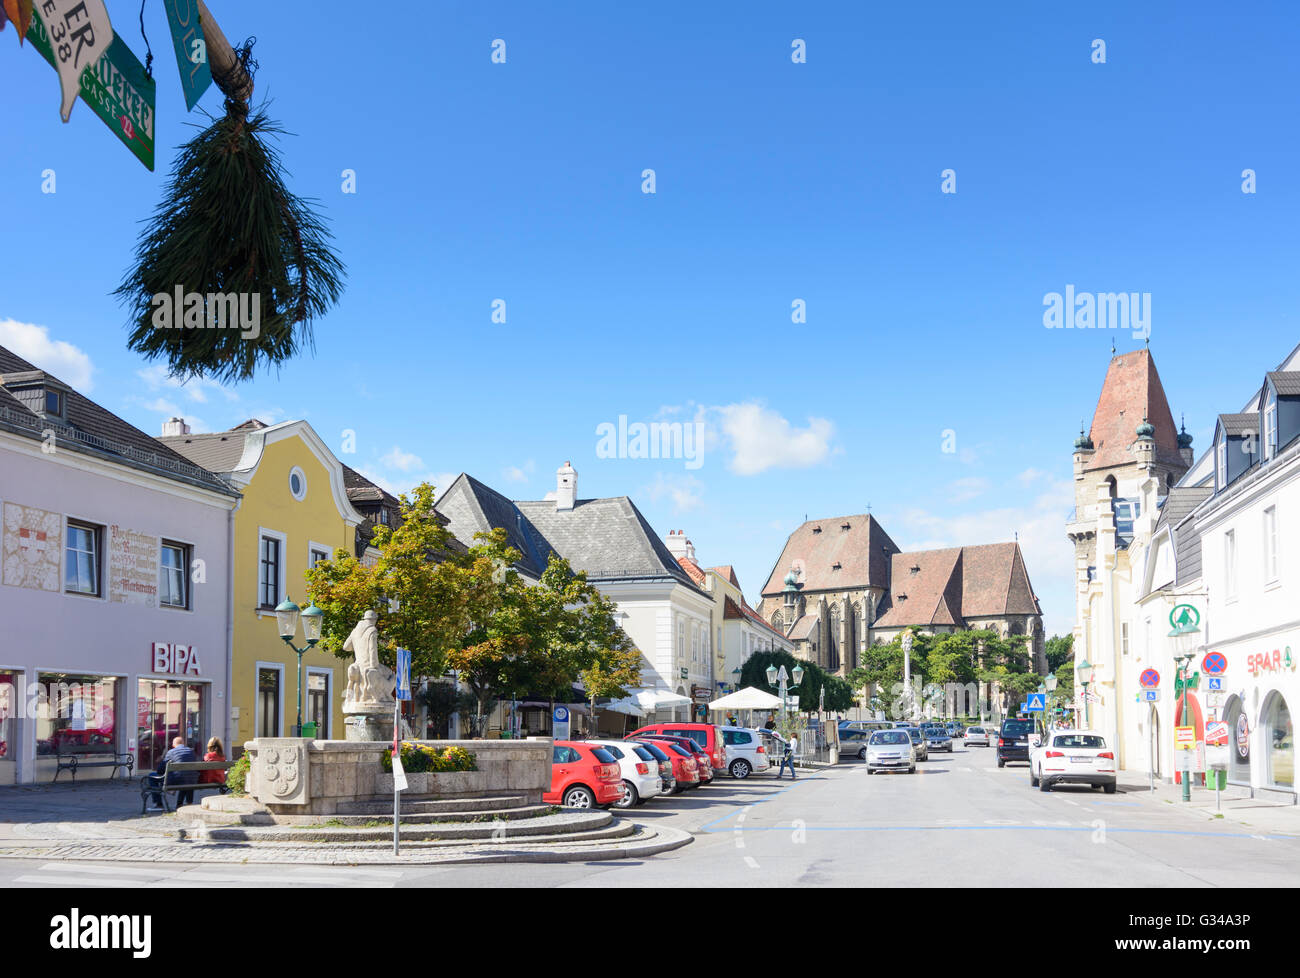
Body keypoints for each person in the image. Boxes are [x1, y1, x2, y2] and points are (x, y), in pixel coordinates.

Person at [146, 736, 198, 811]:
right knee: (185, 776)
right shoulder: (191, 752)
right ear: (183, 743)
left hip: (175, 781)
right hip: (192, 781)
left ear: (173, 745)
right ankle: (182, 804)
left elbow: (160, 770)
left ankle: (158, 804)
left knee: (151, 776)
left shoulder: (171, 752)